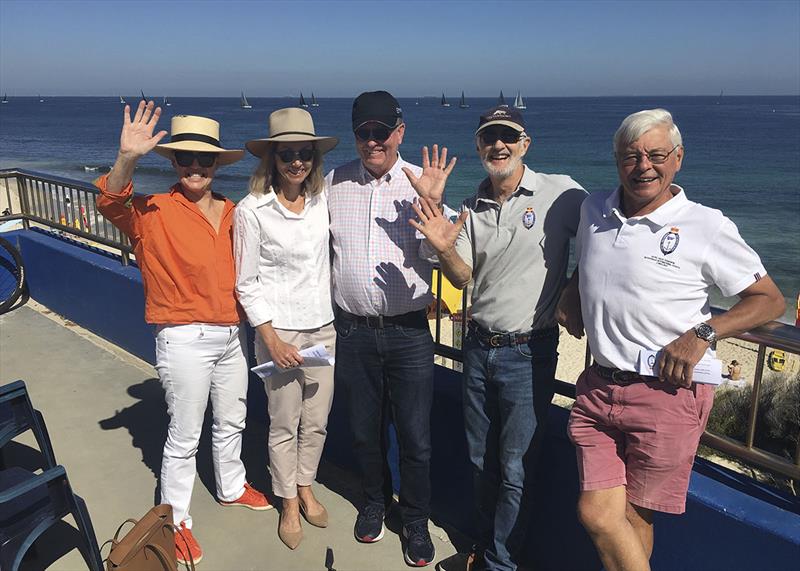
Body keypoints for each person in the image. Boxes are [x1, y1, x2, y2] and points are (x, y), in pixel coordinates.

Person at [557, 108, 785, 571]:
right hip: (598, 386)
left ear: (677, 158)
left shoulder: (707, 225)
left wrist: (705, 331)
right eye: (630, 156)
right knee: (600, 513)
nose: (643, 165)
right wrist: (572, 289)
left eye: (656, 154)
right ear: (616, 161)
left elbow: (769, 301)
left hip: (668, 391)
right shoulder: (593, 209)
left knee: (633, 516)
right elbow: (596, 257)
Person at [411, 106, 587, 571]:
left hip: (529, 352)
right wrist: (446, 248)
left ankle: (501, 564)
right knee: (479, 461)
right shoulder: (473, 206)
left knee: (514, 469)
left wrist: (573, 285)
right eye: (490, 138)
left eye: (508, 136)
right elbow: (463, 275)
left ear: (525, 143)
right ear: (479, 146)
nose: (499, 145)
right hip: (478, 347)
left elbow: (606, 235)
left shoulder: (562, 192)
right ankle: (485, 548)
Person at [95, 102, 271, 565]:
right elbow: (108, 201)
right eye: (187, 159)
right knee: (185, 435)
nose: (196, 167)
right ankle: (177, 521)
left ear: (216, 164)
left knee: (232, 418)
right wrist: (127, 156)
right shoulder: (150, 211)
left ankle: (232, 487)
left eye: (205, 159)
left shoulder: (236, 213)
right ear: (173, 163)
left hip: (233, 335)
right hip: (183, 338)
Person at [325, 90, 454, 567]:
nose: (373, 141)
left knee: (416, 436)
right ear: (356, 136)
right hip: (353, 331)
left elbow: (442, 257)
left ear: (400, 132)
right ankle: (375, 502)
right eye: (364, 133)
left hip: (408, 334)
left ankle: (415, 519)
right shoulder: (334, 183)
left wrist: (434, 209)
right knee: (364, 430)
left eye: (382, 131)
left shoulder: (422, 185)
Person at [233, 107, 338, 549]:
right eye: (287, 154)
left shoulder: (322, 201)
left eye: (305, 153)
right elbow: (246, 283)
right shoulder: (252, 210)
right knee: (282, 423)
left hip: (323, 330)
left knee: (316, 422)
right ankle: (288, 501)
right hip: (280, 335)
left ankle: (306, 485)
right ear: (271, 158)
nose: (297, 161)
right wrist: (271, 339)